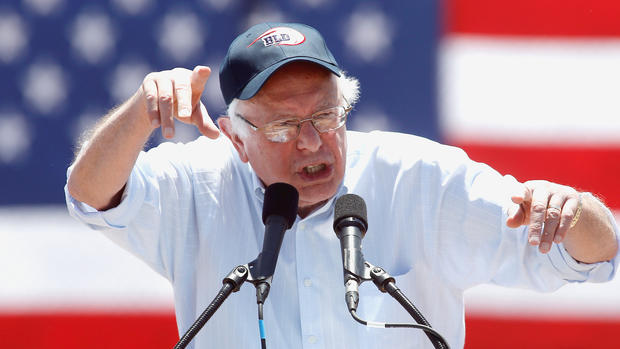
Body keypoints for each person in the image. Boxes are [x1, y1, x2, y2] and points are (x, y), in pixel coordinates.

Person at [65, 22, 619, 348]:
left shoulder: (418, 179)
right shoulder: (197, 184)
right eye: (283, 126)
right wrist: (141, 111)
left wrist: (573, 211)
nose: (311, 143)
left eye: (327, 118)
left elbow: (596, 257)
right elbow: (91, 198)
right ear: (235, 139)